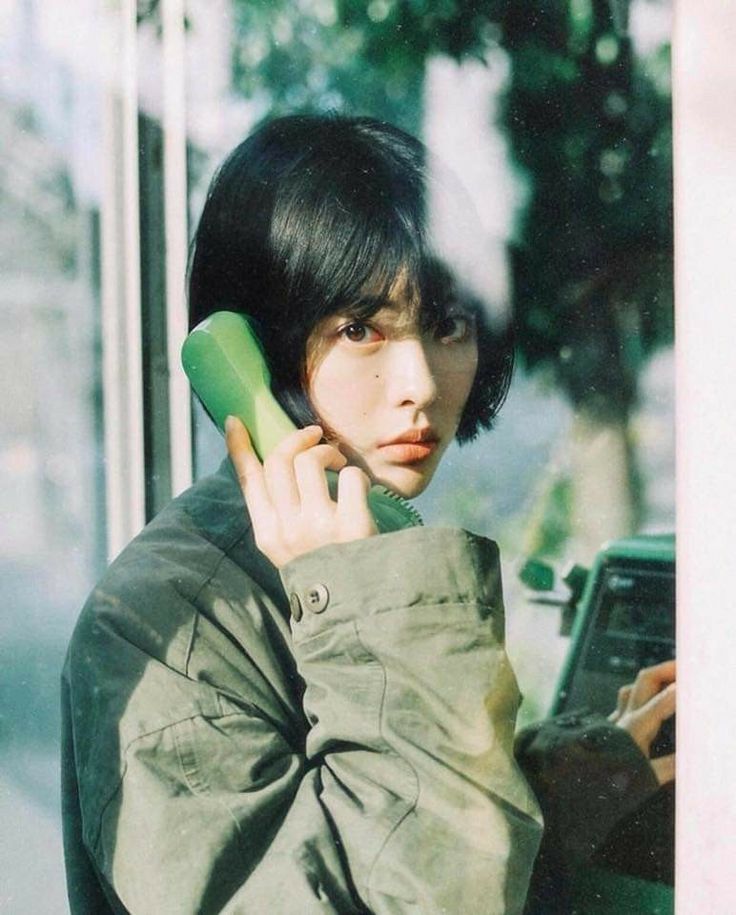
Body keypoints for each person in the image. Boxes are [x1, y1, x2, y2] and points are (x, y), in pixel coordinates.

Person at [61, 114, 673, 915]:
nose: (419, 378)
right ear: (250, 350)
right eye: (359, 329)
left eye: (446, 324)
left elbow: (394, 840)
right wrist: (371, 601)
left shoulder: (352, 540)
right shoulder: (163, 629)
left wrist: (599, 770)